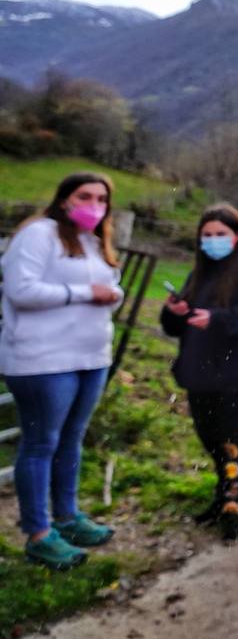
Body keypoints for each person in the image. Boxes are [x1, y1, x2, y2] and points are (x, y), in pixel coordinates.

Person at [0, 172, 122, 570]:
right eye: (85, 196)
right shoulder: (38, 234)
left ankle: (67, 518)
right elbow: (21, 290)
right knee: (40, 443)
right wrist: (86, 293)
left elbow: (110, 291)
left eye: (102, 199)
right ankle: (38, 533)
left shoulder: (94, 242)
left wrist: (112, 295)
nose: (95, 205)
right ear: (64, 198)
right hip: (43, 359)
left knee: (72, 438)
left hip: (91, 357)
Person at [160, 204, 238, 543]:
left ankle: (237, 510)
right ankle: (224, 498)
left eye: (220, 234)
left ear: (237, 236)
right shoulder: (200, 272)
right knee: (213, 443)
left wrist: (217, 319)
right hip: (200, 374)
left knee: (234, 444)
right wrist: (175, 312)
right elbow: (175, 326)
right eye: (206, 235)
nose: (213, 240)